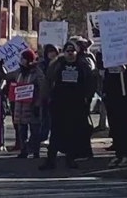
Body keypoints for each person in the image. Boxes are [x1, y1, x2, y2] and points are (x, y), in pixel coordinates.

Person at [40, 41, 95, 171]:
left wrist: (88, 98)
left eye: (72, 51)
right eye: (67, 51)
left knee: (73, 133)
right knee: (55, 133)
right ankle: (50, 160)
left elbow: (90, 82)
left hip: (76, 104)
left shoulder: (82, 66)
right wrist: (46, 98)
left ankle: (70, 159)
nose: (70, 53)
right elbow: (48, 81)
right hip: (59, 103)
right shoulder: (57, 65)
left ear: (76, 52)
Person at [11, 49, 48, 159]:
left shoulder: (36, 72)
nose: (21, 60)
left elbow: (42, 87)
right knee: (21, 129)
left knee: (34, 129)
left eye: (23, 58)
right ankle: (24, 150)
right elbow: (8, 77)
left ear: (28, 60)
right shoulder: (19, 72)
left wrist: (38, 103)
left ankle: (35, 151)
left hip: (32, 105)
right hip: (20, 106)